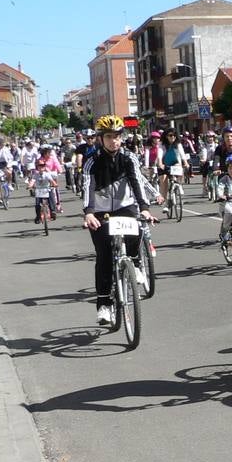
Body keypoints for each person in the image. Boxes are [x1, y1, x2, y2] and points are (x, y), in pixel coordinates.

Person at [81, 115, 155, 326]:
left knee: (138, 227)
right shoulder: (92, 161)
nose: (114, 141)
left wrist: (145, 208)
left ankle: (135, 262)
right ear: (100, 138)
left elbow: (136, 182)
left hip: (125, 206)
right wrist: (88, 212)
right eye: (109, 137)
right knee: (103, 256)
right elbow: (87, 186)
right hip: (100, 212)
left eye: (117, 136)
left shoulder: (129, 157)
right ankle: (104, 304)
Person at [158, 129, 188, 210]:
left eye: (174, 135)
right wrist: (160, 163)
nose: (173, 137)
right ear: (166, 136)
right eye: (170, 135)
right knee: (164, 181)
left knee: (180, 168)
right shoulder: (162, 144)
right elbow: (160, 154)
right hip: (164, 164)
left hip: (174, 163)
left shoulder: (178, 144)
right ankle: (165, 203)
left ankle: (179, 185)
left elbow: (182, 154)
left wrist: (186, 163)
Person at [27, 155, 58, 223]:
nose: (41, 167)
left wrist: (55, 185)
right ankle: (38, 216)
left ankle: (53, 211)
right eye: (39, 166)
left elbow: (51, 181)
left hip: (47, 189)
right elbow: (32, 181)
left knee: (51, 199)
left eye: (43, 166)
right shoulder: (35, 175)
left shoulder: (47, 174)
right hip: (39, 190)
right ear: (37, 167)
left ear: (44, 167)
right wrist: (30, 186)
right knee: (37, 204)